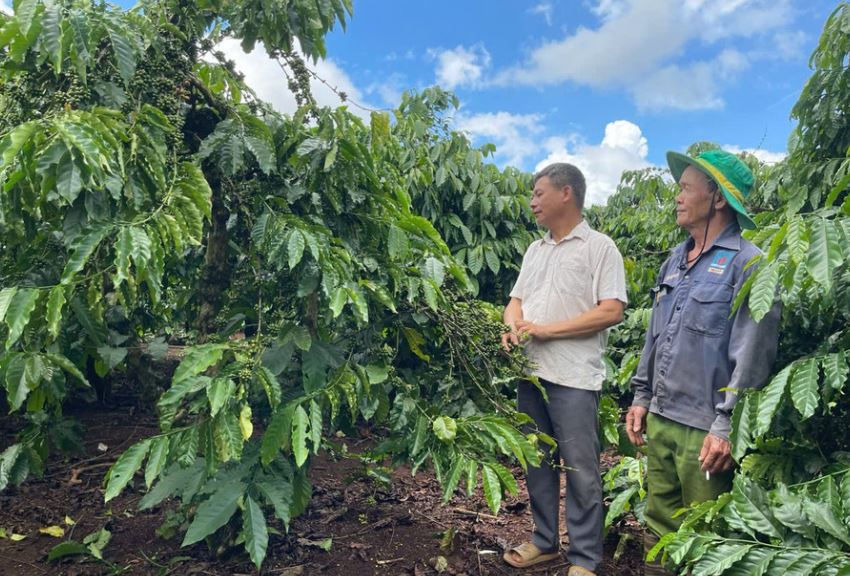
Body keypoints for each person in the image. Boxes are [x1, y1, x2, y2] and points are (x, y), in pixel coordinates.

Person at [625, 149, 781, 574]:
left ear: (716, 198)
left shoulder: (748, 263)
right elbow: (654, 335)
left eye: (684, 188)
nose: (676, 197)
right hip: (661, 414)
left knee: (705, 535)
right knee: (659, 521)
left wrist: (727, 425)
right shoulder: (676, 260)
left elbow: (752, 351)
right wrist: (641, 396)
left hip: (705, 429)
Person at [501, 162, 627, 576]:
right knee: (537, 463)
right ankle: (544, 541)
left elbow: (611, 310)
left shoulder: (599, 248)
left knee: (580, 469)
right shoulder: (535, 250)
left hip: (573, 378)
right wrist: (511, 328)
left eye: (539, 193)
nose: (532, 201)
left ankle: (586, 559)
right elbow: (516, 301)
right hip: (531, 374)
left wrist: (548, 331)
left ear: (566, 193)